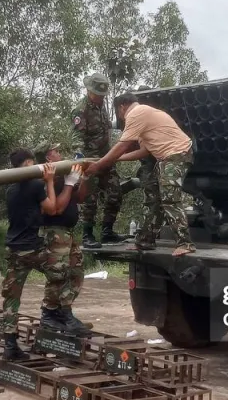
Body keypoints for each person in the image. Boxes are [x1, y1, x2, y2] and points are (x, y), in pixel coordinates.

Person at [84, 93, 196, 257]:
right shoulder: (144, 115)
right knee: (153, 198)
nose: (120, 115)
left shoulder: (136, 113)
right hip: (166, 157)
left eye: (118, 110)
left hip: (177, 154)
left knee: (169, 198)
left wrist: (100, 164)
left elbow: (123, 145)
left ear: (122, 106)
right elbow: (144, 151)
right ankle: (145, 241)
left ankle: (185, 243)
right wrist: (117, 159)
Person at [0, 149, 84, 361]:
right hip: (32, 249)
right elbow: (52, 208)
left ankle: (10, 346)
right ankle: (61, 315)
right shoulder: (36, 185)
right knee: (61, 271)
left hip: (13, 249)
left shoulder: (11, 189)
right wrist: (51, 182)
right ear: (29, 162)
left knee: (11, 298)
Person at [35, 143, 90, 336]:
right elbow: (56, 208)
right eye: (57, 151)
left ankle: (62, 312)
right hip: (54, 231)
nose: (60, 154)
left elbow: (80, 198)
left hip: (67, 232)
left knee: (76, 272)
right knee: (58, 275)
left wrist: (83, 178)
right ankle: (51, 314)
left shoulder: (64, 175)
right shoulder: (45, 179)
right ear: (49, 158)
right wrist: (68, 183)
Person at [72, 73, 123, 249]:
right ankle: (87, 235)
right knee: (90, 199)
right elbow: (76, 138)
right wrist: (79, 162)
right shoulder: (81, 109)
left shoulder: (102, 106)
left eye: (102, 95)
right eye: (96, 94)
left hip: (105, 158)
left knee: (115, 192)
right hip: (89, 160)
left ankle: (107, 232)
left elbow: (106, 128)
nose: (100, 98)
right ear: (88, 90)